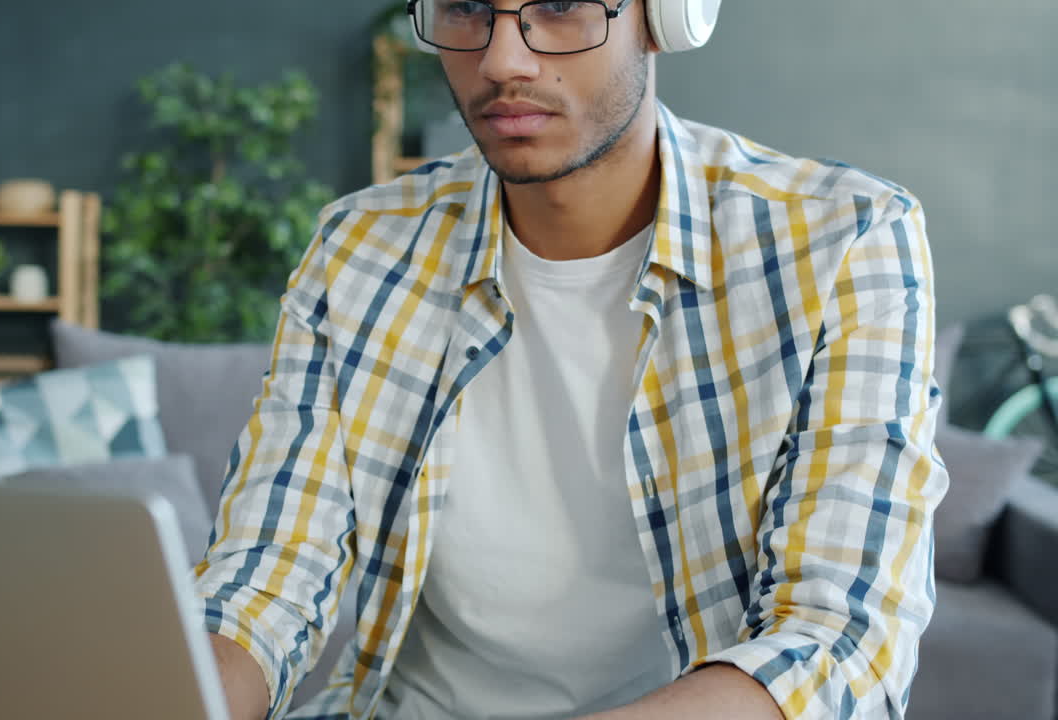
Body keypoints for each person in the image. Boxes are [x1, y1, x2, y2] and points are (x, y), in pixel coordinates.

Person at [194, 0, 948, 718]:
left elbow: (836, 643)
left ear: (664, 16)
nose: (501, 60)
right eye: (467, 8)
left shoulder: (843, 241)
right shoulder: (360, 248)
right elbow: (267, 578)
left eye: (559, 5)